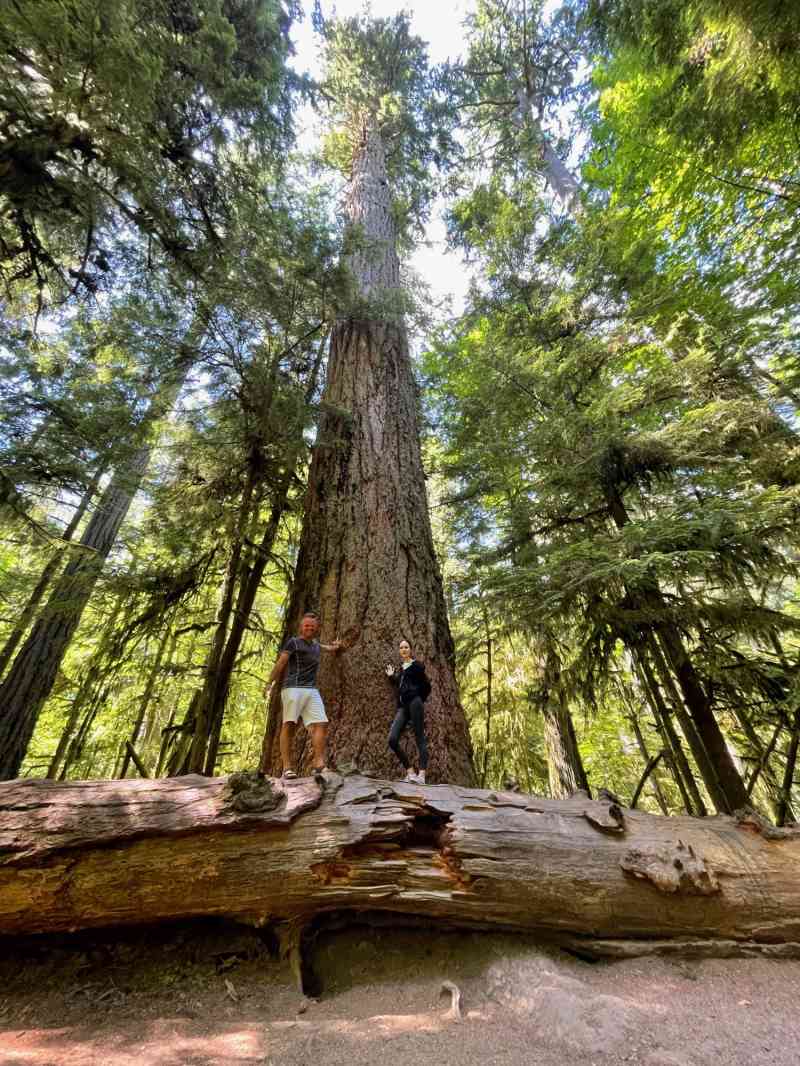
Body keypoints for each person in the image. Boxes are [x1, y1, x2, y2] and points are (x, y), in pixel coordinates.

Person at [265, 612, 341, 779]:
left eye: (312, 626)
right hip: (292, 688)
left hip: (311, 690)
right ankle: (287, 768)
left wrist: (336, 647)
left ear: (316, 628)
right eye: (307, 626)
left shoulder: (315, 645)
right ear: (301, 627)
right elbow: (282, 662)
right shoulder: (294, 642)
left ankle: (319, 765)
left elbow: (326, 647)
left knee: (321, 723)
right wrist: (270, 682)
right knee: (289, 725)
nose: (309, 628)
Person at [385, 638, 431, 784]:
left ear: (410, 649)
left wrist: (417, 697)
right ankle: (410, 772)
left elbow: (427, 687)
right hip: (403, 707)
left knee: (419, 738)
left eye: (406, 647)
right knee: (392, 739)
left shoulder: (416, 666)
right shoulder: (402, 669)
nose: (403, 649)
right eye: (401, 648)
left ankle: (421, 776)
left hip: (415, 704)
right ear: (399, 651)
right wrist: (393, 676)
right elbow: (401, 684)